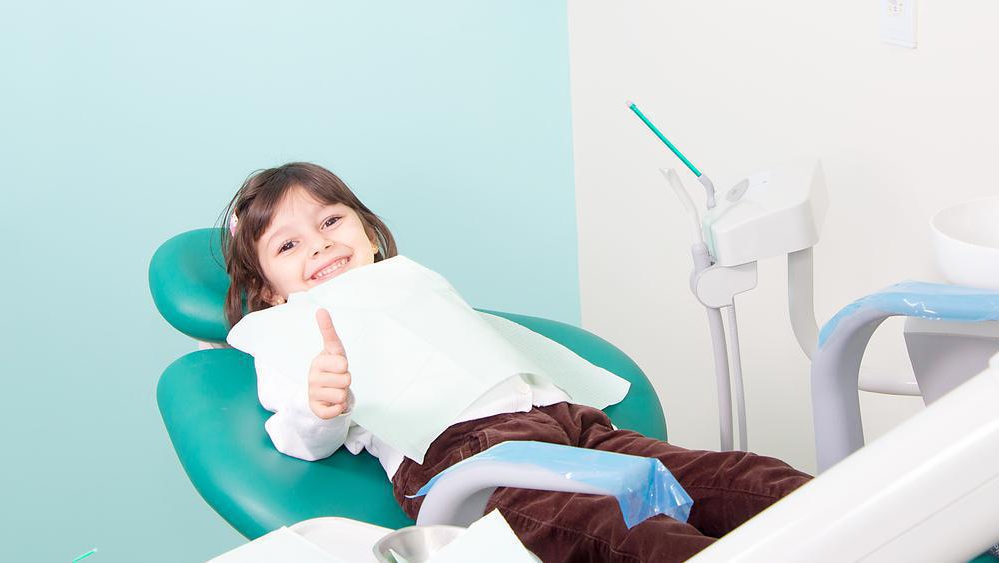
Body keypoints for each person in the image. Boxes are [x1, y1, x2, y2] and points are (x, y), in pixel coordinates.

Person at [221, 162, 811, 562]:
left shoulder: (406, 284)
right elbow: (299, 435)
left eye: (330, 221)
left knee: (743, 479)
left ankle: (866, 529)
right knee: (633, 538)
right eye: (288, 244)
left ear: (369, 234)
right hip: (473, 461)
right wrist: (319, 404)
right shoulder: (288, 328)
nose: (320, 243)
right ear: (269, 289)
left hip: (573, 427)